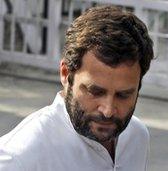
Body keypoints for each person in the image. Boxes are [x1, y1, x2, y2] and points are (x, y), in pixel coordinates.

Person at [0, 5, 154, 171]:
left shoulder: (137, 136)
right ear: (66, 74)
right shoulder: (19, 158)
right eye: (95, 92)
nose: (108, 111)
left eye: (123, 95)